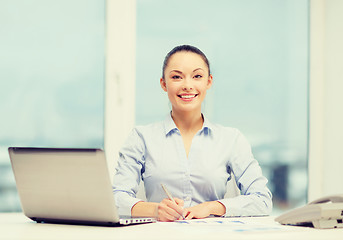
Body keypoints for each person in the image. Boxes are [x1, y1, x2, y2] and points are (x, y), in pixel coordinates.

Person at [112, 45, 272, 222]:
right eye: (176, 77)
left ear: (208, 82)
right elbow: (116, 198)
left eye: (197, 76)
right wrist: (154, 209)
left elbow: (262, 200)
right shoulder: (141, 137)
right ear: (163, 84)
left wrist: (212, 207)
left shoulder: (231, 139)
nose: (187, 85)